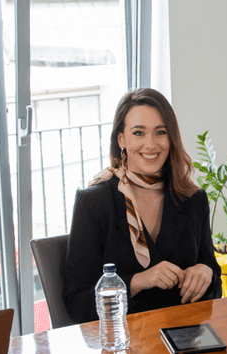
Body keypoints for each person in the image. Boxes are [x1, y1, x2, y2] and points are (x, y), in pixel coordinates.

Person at [63, 88, 219, 322]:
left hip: (186, 342)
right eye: (138, 133)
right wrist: (138, 281)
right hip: (124, 345)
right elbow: (77, 305)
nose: (151, 144)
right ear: (121, 140)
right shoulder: (94, 202)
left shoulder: (193, 199)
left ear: (171, 138)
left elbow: (215, 288)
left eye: (160, 132)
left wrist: (206, 274)